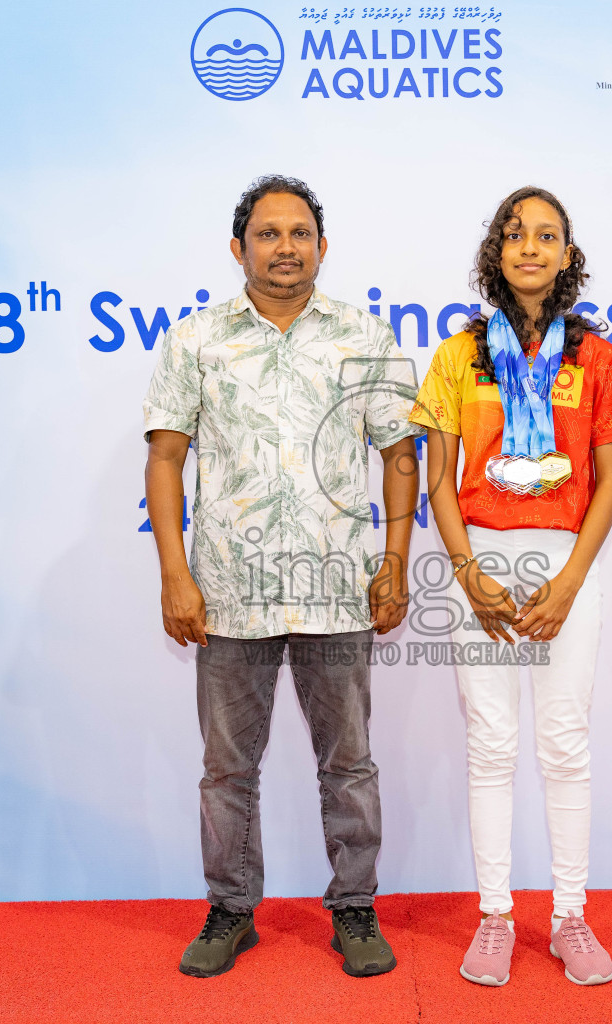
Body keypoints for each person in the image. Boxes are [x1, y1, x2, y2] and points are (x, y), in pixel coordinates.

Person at [144, 175, 421, 979]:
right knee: (229, 768)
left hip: (339, 588)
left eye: (300, 233)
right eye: (267, 234)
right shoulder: (195, 340)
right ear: (238, 249)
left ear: (322, 247)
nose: (285, 248)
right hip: (228, 593)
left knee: (350, 764)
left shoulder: (364, 337)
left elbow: (400, 456)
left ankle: (356, 908)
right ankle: (231, 910)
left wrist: (394, 563)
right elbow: (166, 458)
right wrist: (175, 572)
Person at [410, 186, 612, 987]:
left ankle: (572, 916)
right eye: (515, 234)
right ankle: (495, 917)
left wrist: (572, 580)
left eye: (547, 235)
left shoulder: (599, 357)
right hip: (480, 558)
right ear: (495, 251)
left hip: (568, 560)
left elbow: (609, 482)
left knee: (563, 741)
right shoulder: (456, 355)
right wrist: (469, 575)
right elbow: (437, 481)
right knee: (491, 744)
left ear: (568, 255)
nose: (530, 248)